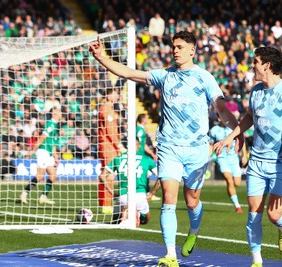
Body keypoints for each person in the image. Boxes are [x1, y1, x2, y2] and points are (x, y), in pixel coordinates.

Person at [89, 30, 242, 267]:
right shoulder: (164, 76)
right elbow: (129, 72)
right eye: (174, 46)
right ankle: (170, 255)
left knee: (191, 201)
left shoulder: (205, 78)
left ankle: (193, 230)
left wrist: (235, 131)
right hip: (169, 147)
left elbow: (221, 109)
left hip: (197, 149)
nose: (175, 50)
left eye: (180, 47)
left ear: (192, 50)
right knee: (168, 199)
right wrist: (102, 58)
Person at [213, 47, 282, 267]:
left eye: (255, 62)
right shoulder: (255, 91)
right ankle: (256, 260)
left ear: (267, 65)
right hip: (256, 163)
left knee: (274, 215)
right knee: (254, 214)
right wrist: (232, 135)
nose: (251, 65)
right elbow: (249, 118)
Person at [99, 138, 159, 226]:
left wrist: (112, 193)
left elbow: (102, 176)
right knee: (145, 220)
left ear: (127, 146)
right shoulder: (146, 159)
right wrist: (152, 193)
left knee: (116, 216)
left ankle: (120, 215)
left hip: (123, 197)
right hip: (140, 196)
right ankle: (137, 214)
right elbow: (161, 177)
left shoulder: (118, 158)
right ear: (138, 146)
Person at [19, 107, 62, 205]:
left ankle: (43, 197)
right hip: (43, 152)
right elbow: (41, 138)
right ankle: (24, 193)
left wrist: (56, 156)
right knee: (40, 176)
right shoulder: (50, 124)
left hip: (49, 153)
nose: (60, 113)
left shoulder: (55, 126)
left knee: (53, 175)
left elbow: (53, 144)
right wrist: (33, 151)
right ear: (54, 114)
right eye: (58, 111)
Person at [209, 115, 247, 213]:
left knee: (237, 183)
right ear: (218, 118)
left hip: (233, 157)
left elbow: (241, 140)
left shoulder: (233, 128)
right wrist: (207, 157)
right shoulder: (214, 130)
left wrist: (244, 156)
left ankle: (235, 201)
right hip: (222, 157)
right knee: (229, 180)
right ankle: (237, 206)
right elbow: (211, 145)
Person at [98, 88, 125, 214]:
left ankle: (104, 203)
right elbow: (109, 130)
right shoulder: (106, 109)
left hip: (109, 145)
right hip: (108, 145)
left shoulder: (109, 109)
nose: (117, 97)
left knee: (107, 173)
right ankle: (106, 204)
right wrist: (118, 144)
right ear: (108, 96)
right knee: (109, 174)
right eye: (115, 95)